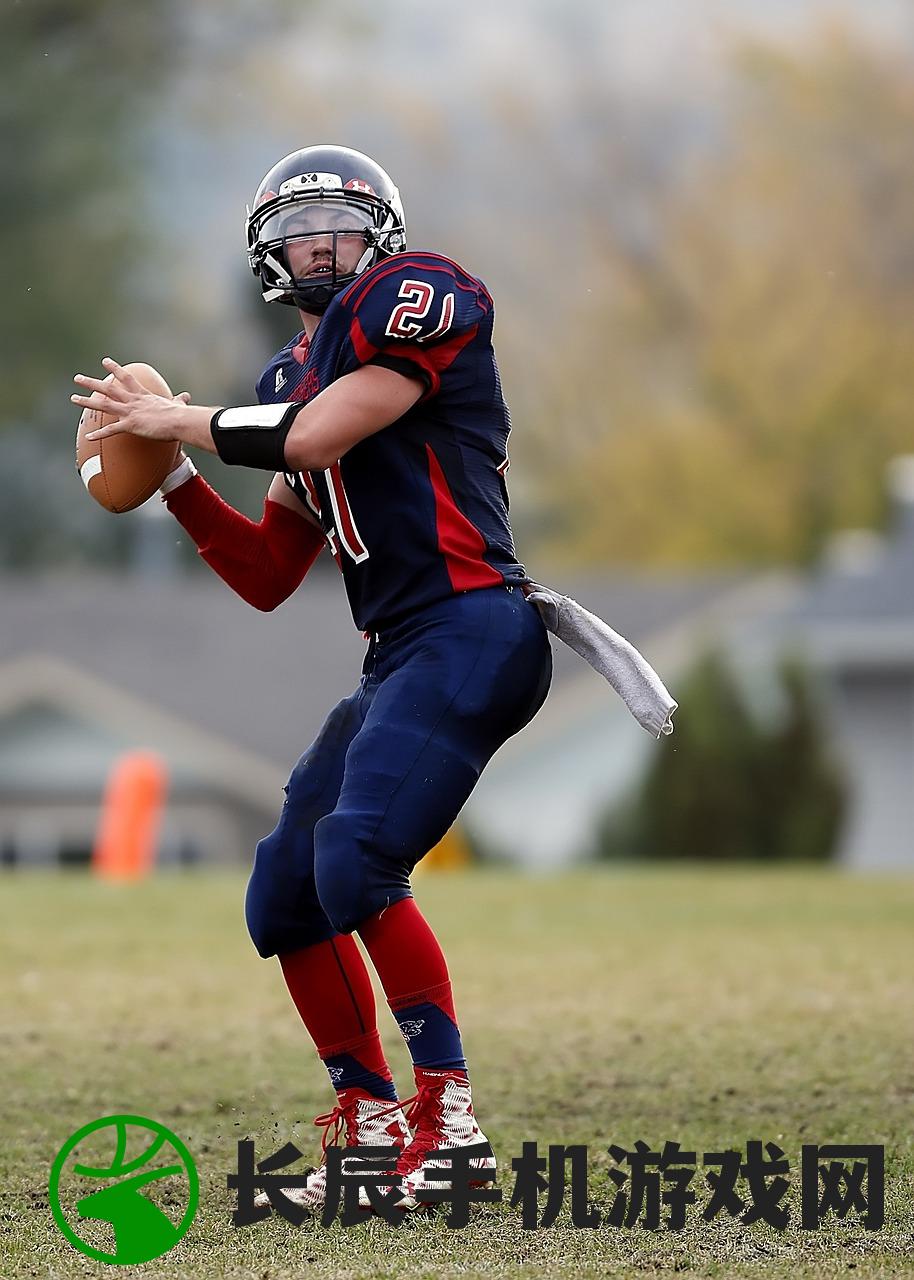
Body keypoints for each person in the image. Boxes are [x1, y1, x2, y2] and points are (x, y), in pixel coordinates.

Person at [72, 145, 554, 1211]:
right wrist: (178, 480)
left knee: (357, 854)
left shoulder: (420, 297)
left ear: (378, 232)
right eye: (298, 228)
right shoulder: (284, 376)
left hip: (475, 625)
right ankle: (374, 1127)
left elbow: (320, 432)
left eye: (338, 220)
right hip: (398, 651)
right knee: (286, 893)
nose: (318, 242)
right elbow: (266, 572)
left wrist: (174, 423)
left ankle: (453, 1125)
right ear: (266, 255)